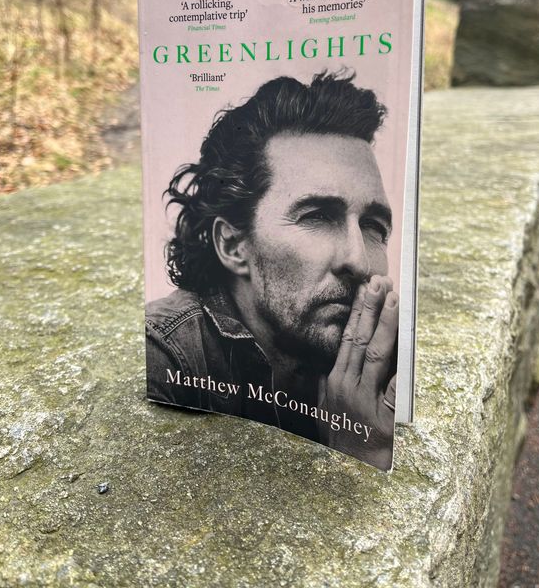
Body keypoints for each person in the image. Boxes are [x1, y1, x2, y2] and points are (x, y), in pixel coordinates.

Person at [146, 71, 398, 469]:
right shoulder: (167, 357)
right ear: (233, 245)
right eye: (316, 216)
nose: (359, 261)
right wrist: (360, 457)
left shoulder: (384, 355)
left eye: (373, 226)